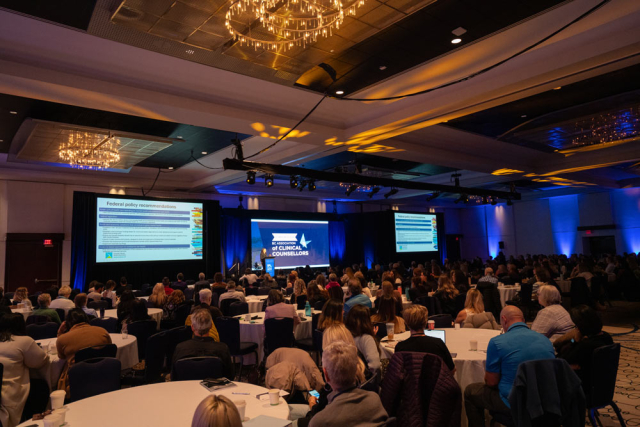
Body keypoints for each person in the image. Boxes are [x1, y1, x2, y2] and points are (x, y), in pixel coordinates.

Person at [464, 306, 555, 427]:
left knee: (471, 391)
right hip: (545, 402)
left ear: (504, 319)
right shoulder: (546, 341)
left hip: (514, 403)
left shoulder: (497, 342)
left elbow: (491, 382)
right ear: (523, 320)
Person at [308, 341, 388, 427]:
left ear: (326, 375)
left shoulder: (319, 421)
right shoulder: (375, 400)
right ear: (357, 370)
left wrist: (312, 406)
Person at [0, 313, 50, 427]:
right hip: (10, 394)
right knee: (41, 386)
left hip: (4, 392)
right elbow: (41, 361)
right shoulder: (24, 341)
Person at [555, 305, 613, 392]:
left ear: (581, 326)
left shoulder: (585, 345)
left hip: (582, 388)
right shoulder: (606, 337)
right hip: (602, 386)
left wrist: (574, 341)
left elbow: (562, 359)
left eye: (576, 326)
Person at [173, 309, 234, 379]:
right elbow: (230, 377)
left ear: (192, 327)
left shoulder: (180, 348)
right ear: (211, 326)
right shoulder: (222, 349)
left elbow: (174, 377)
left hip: (186, 385)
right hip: (216, 385)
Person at [395, 305, 455, 372]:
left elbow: (397, 372)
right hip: (434, 378)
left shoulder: (400, 347)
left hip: (409, 379)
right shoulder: (437, 343)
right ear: (425, 322)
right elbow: (452, 370)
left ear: (406, 323)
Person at [345, 304, 381, 373]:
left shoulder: (344, 335)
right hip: (363, 377)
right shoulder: (366, 339)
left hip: (347, 375)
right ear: (367, 321)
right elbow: (375, 366)